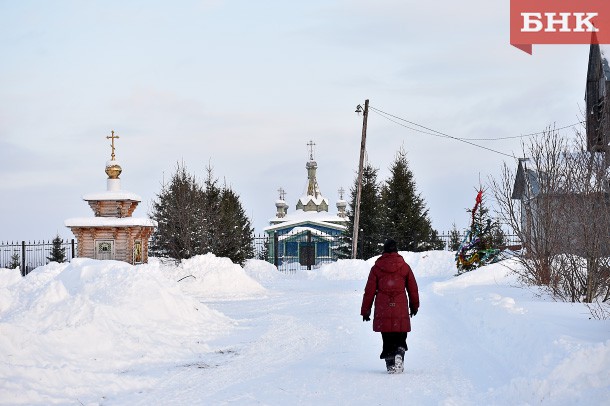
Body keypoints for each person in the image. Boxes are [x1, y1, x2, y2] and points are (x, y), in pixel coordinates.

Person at [360, 238, 419, 374]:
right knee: (400, 334)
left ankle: (390, 363)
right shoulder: (404, 267)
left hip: (383, 308)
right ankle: (399, 351)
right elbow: (413, 288)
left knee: (387, 337)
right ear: (396, 250)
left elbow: (369, 291)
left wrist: (365, 311)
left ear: (384, 250)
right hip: (400, 307)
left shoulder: (376, 268)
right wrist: (414, 305)